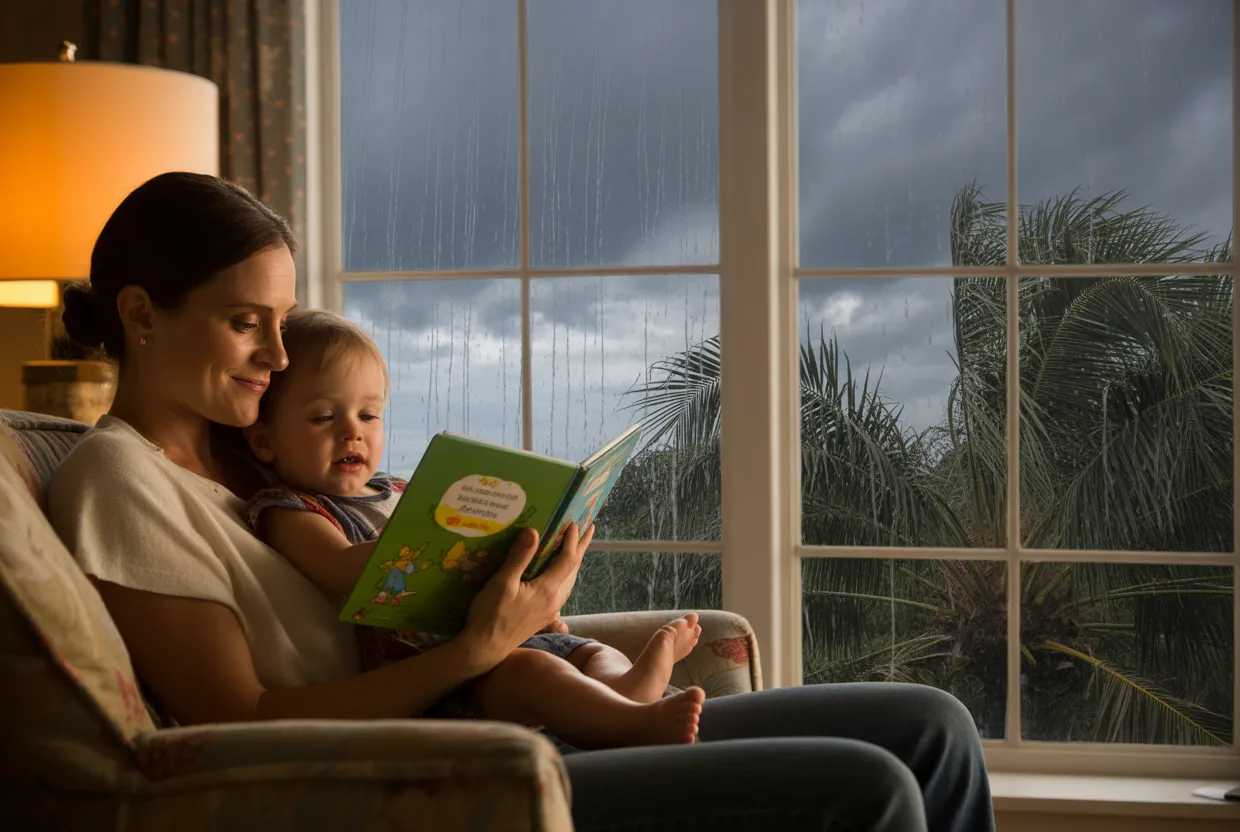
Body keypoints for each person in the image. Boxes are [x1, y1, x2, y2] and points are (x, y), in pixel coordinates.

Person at [48, 172, 994, 831]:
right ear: (140, 315)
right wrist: (478, 649)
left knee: (932, 726)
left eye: (281, 323)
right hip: (449, 770)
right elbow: (242, 724)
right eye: (244, 324)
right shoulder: (119, 479)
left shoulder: (256, 452)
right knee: (867, 789)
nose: (280, 358)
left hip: (510, 708)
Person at [240, 307, 705, 748]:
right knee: (535, 673)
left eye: (368, 415)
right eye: (324, 417)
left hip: (508, 636)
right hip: (445, 675)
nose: (352, 432)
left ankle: (628, 688)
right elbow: (343, 568)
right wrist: (445, 542)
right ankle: (629, 722)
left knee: (590, 654)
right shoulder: (288, 510)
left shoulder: (398, 490)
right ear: (264, 440)